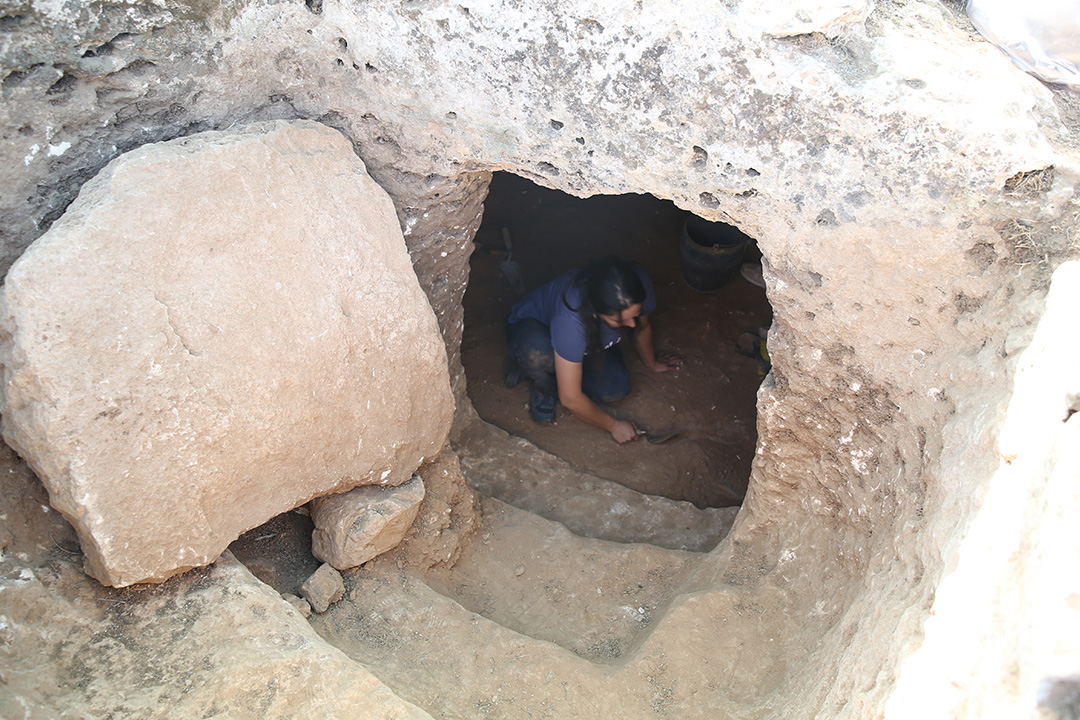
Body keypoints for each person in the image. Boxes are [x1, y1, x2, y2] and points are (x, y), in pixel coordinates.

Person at [504, 256, 682, 443]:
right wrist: (614, 426)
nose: (630, 324)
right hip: (538, 331)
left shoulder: (633, 284)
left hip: (586, 342)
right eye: (620, 321)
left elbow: (642, 327)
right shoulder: (570, 319)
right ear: (596, 311)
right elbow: (570, 398)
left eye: (634, 315)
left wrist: (652, 363)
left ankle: (565, 371)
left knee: (614, 388)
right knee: (537, 355)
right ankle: (544, 384)